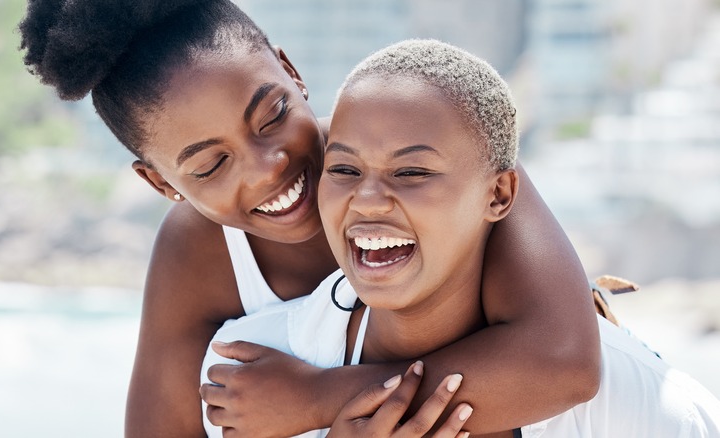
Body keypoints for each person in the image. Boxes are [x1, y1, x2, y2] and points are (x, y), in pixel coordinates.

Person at [18, 1, 601, 436]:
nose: (268, 167)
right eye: (213, 164)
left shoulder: (426, 140)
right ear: (162, 183)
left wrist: (320, 399)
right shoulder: (199, 254)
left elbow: (564, 363)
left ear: (290, 70)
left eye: (271, 115)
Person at [202, 39, 720, 438]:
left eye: (411, 173)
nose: (369, 199)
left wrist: (323, 399)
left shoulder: (645, 411)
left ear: (498, 195)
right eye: (343, 168)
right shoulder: (250, 374)